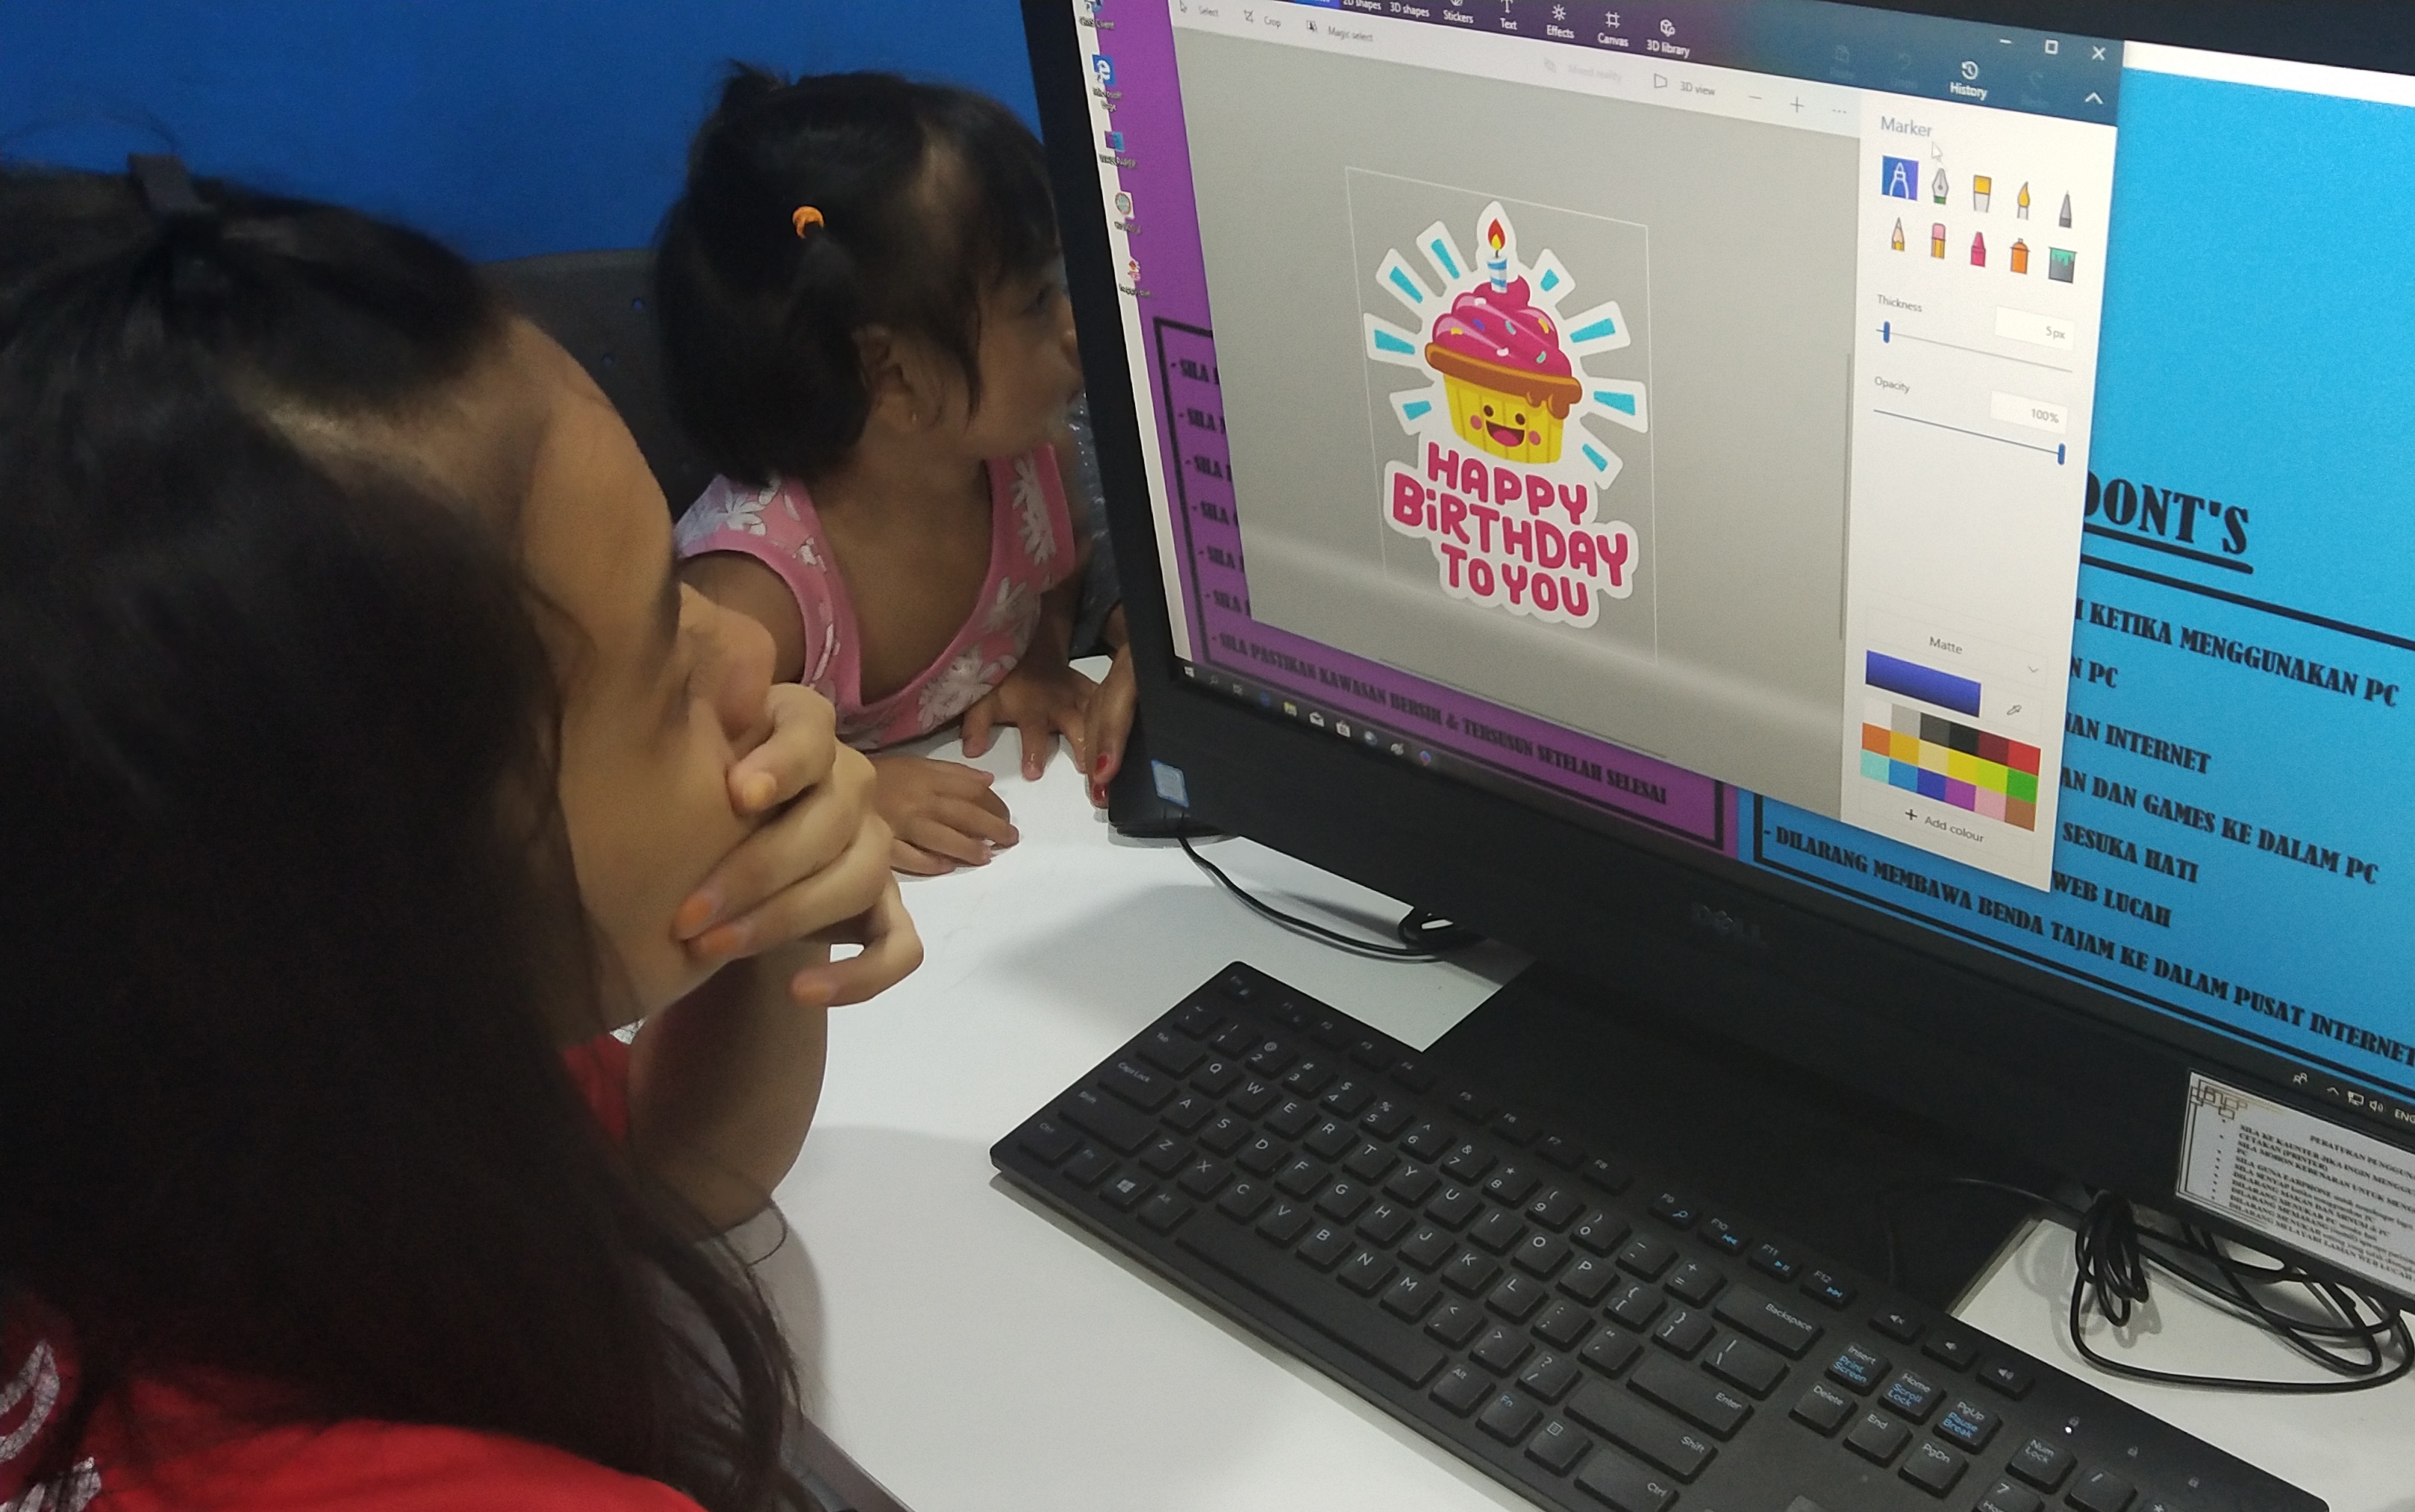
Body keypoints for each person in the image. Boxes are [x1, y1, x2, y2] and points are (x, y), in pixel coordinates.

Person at [0, 161, 920, 1511]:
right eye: (664, 665)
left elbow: (666, 1175)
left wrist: (764, 913)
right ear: (369, 908)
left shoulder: (173, 1139)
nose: (746, 654)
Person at [658, 69, 1138, 876]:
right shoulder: (757, 593)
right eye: (1035, 301)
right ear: (892, 377)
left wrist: (1040, 655)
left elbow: (1060, 571)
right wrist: (849, 791)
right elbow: (666, 781)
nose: (1073, 326)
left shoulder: (1032, 465)